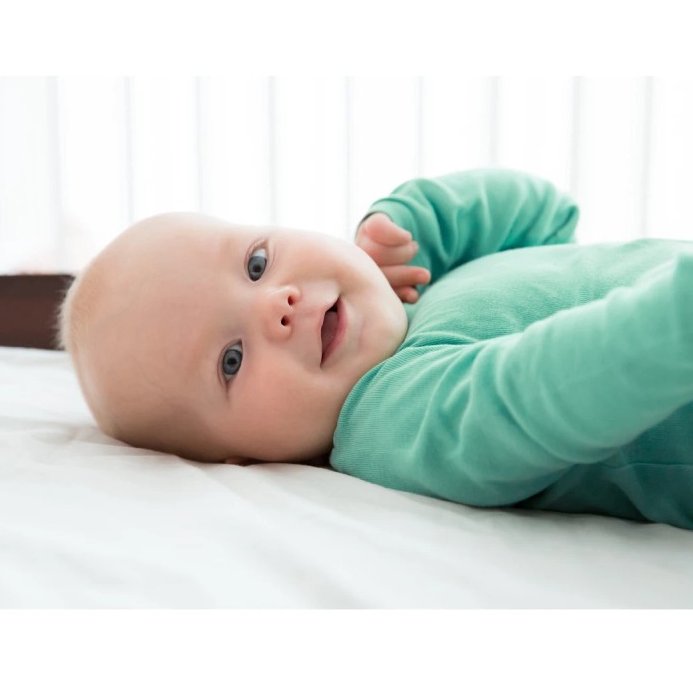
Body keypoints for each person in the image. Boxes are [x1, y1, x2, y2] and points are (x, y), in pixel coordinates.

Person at [58, 169, 693, 530]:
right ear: (244, 458)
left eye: (256, 264)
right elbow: (536, 396)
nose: (275, 305)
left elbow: (546, 216)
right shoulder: (389, 421)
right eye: (232, 360)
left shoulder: (422, 286)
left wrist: (417, 226)